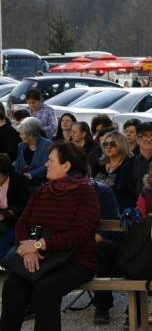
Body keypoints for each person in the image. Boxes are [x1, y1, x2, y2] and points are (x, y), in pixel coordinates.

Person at [0, 141, 99, 331]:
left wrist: (38, 245)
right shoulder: (44, 190)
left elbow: (78, 235)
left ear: (66, 165)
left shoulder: (86, 193)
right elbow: (22, 223)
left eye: (51, 160)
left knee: (45, 290)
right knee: (13, 285)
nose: (46, 164)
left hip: (76, 260)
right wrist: (28, 251)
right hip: (42, 258)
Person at [119, 122, 152, 209]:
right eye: (144, 135)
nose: (149, 139)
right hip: (135, 211)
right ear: (137, 139)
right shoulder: (129, 164)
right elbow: (122, 192)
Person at [0, 153, 31, 259]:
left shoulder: (20, 181)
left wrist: (5, 214)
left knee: (5, 240)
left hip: (15, 219)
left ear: (5, 174)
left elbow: (23, 205)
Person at [93, 131, 131, 210]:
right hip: (97, 208)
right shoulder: (99, 165)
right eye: (105, 144)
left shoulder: (129, 164)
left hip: (119, 210)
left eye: (113, 144)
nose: (108, 147)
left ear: (121, 145)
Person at [14, 117, 53, 188]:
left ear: (31, 135)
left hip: (41, 185)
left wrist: (30, 175)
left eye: (22, 134)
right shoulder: (21, 146)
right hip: (23, 184)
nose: (20, 136)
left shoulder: (47, 144)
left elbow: (47, 166)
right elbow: (18, 165)